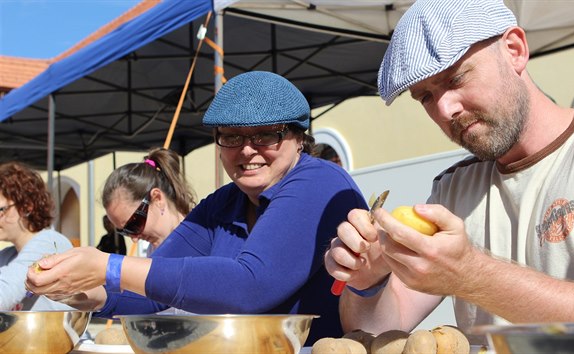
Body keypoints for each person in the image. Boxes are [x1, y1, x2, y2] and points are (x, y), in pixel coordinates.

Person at [323, 0, 574, 344]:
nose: (444, 109)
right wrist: (368, 282)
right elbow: (375, 328)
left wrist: (471, 274)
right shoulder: (453, 188)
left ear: (514, 50)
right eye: (424, 96)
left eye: (455, 78)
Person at [26, 71, 368, 345]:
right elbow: (153, 289)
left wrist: (109, 266)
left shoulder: (321, 183)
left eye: (265, 135)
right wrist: (84, 292)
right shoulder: (223, 202)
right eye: (231, 137)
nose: (247, 150)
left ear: (297, 137)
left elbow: (248, 288)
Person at [43, 147, 196, 311]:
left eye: (133, 224)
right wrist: (70, 292)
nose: (134, 238)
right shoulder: (151, 251)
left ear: (157, 198)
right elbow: (141, 301)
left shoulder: (202, 239)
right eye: (124, 231)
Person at [0, 161, 74, 311]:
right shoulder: (8, 256)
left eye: (1, 209)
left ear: (27, 207)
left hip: (53, 334)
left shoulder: (49, 243)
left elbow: (3, 295)